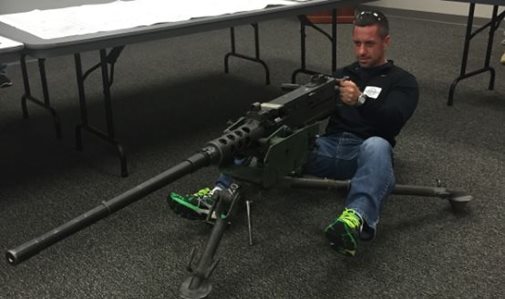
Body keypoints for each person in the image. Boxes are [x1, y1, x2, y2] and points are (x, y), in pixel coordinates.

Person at [168, 9, 419, 257]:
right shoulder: (344, 73)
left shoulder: (402, 81)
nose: (362, 51)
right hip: (325, 147)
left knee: (378, 145)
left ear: (386, 42)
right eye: (357, 43)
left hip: (364, 155)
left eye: (370, 44)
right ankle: (217, 196)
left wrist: (361, 100)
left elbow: (393, 121)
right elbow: (315, 114)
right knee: (262, 134)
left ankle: (355, 220)